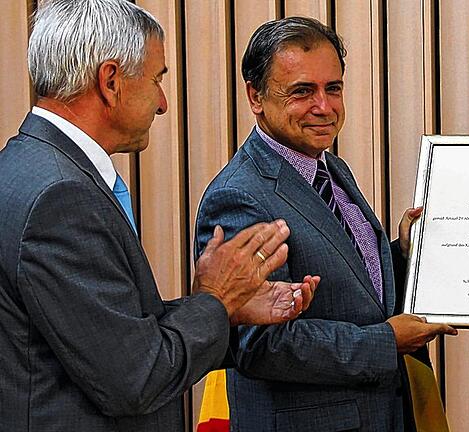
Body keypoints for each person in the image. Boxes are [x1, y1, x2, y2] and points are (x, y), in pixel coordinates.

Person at [0, 1, 318, 430]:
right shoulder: (62, 195)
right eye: (156, 79)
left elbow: (101, 335)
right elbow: (136, 377)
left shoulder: (25, 165)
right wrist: (216, 301)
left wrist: (221, 308)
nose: (164, 103)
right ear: (111, 81)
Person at [195, 16, 457, 431]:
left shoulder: (331, 168)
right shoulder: (240, 196)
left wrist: (403, 254)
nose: (324, 106)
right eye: (302, 92)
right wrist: (386, 342)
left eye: (332, 88)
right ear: (255, 96)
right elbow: (259, 344)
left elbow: (349, 289)